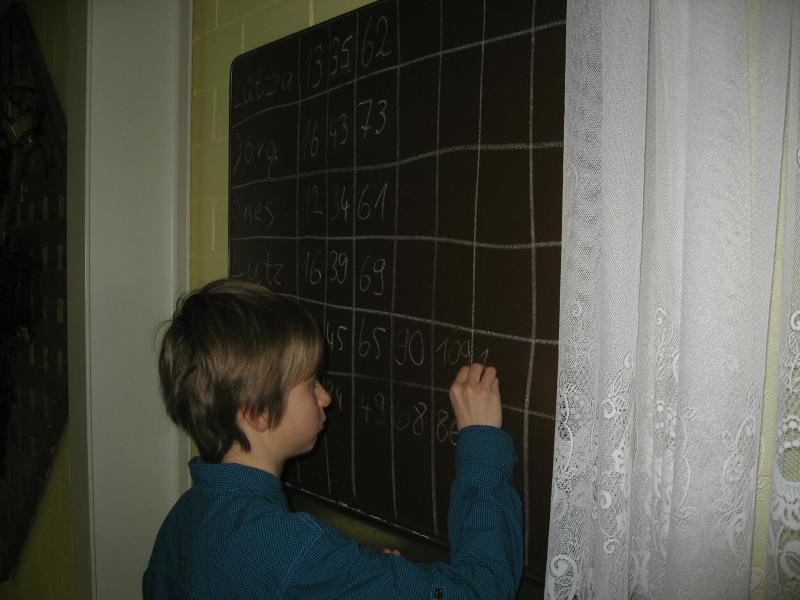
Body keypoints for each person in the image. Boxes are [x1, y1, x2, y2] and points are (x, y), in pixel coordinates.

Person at [143, 278, 523, 599]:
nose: (325, 397)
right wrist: (481, 440)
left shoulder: (182, 522)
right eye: (311, 384)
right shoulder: (294, 554)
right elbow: (481, 589)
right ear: (257, 412)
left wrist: (360, 580)